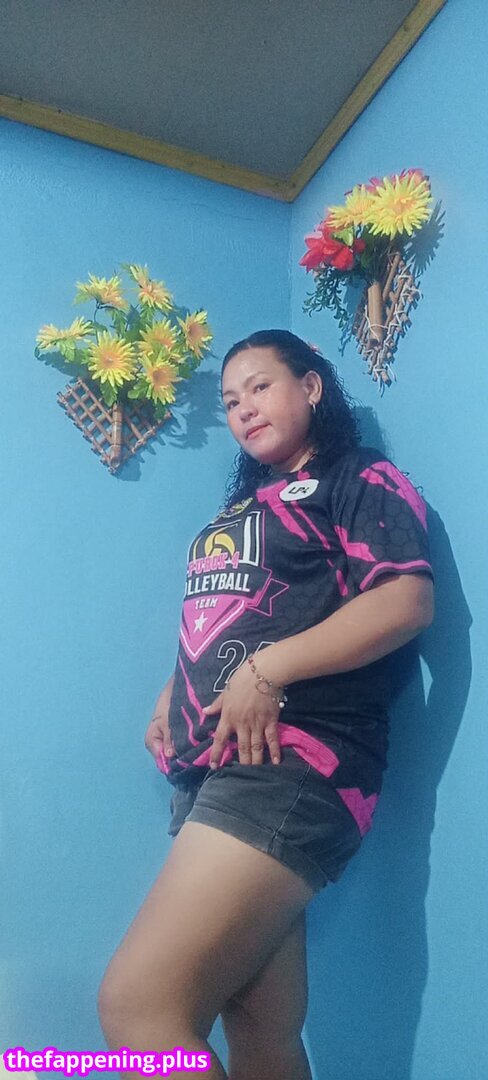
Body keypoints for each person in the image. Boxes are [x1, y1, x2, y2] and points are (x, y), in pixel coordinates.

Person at [97, 330, 435, 1080]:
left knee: (138, 1005)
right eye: (229, 401)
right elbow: (233, 615)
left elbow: (405, 600)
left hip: (295, 762)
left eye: (259, 387)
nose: (243, 409)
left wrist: (266, 670)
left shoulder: (358, 477)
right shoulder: (245, 506)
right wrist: (172, 694)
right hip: (218, 765)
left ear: (310, 387)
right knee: (261, 1028)